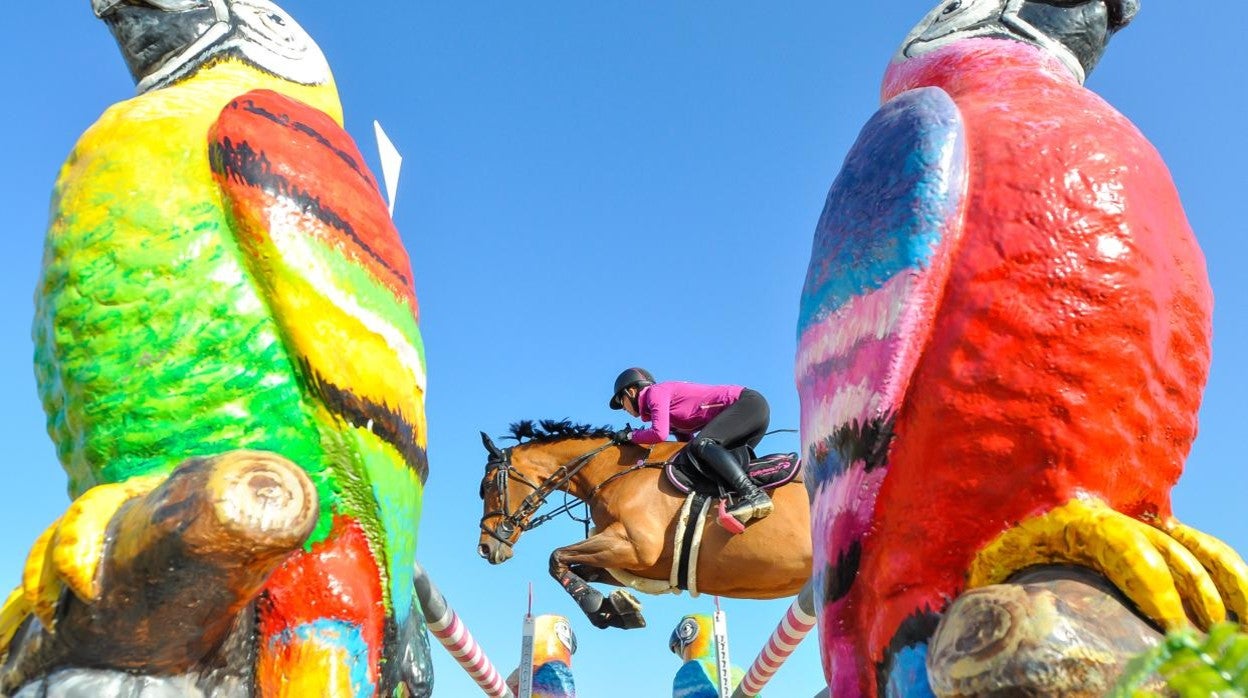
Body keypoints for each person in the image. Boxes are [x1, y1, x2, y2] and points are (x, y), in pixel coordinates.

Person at [608, 367, 772, 524]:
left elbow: (659, 433)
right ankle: (741, 498)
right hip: (752, 411)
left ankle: (754, 495)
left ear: (631, 391)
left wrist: (630, 436)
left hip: (748, 405)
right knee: (707, 460)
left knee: (703, 443)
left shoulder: (655, 393)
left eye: (620, 401)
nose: (623, 408)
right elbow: (684, 444)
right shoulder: (668, 412)